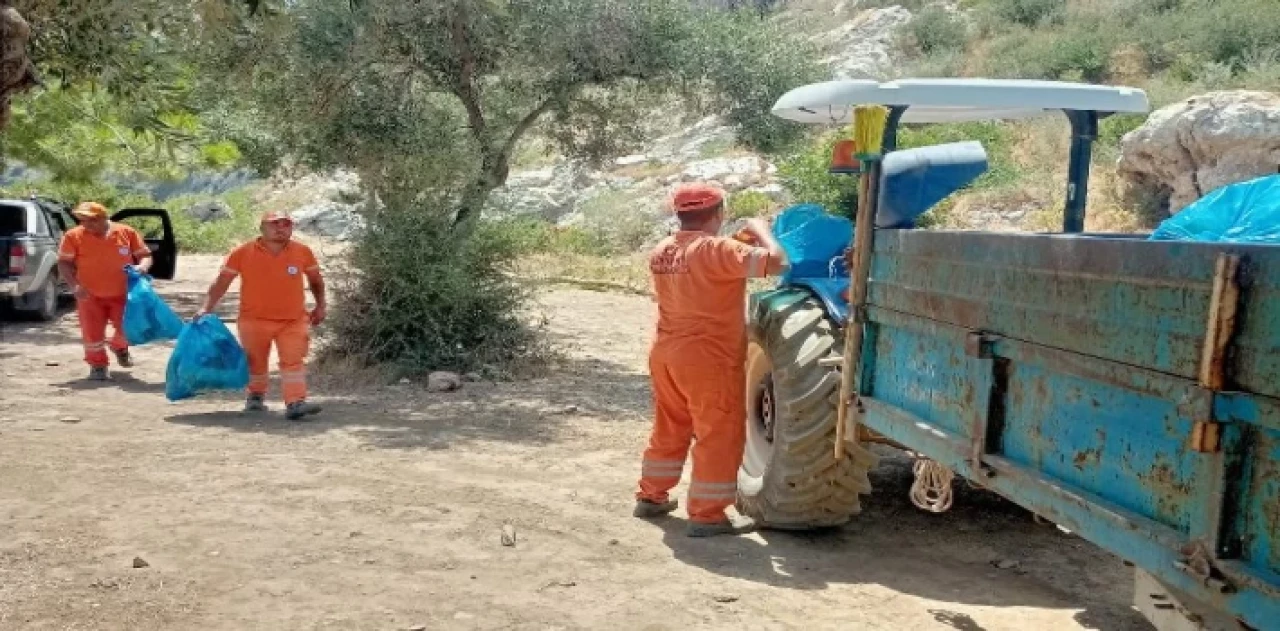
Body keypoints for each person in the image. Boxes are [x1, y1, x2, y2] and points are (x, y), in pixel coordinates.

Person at [635, 183, 788, 537]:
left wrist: (738, 244)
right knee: (718, 432)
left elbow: (706, 265)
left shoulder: (663, 249)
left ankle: (651, 496)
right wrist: (762, 229)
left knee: (671, 425)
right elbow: (778, 263)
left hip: (666, 352)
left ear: (680, 215)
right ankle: (708, 515)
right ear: (718, 213)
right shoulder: (718, 249)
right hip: (707, 358)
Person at [195, 211, 326, 421]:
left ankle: (295, 402)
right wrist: (206, 307)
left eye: (286, 224)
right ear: (262, 228)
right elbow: (222, 281)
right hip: (253, 320)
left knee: (293, 362)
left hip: (293, 320)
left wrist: (321, 306)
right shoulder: (242, 252)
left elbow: (316, 280)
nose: (281, 228)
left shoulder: (303, 252)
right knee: (255, 361)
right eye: (274, 224)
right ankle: (255, 396)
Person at [56, 201, 153, 381]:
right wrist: (74, 285)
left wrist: (142, 267)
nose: (86, 224)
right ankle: (98, 366)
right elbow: (64, 263)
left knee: (127, 328)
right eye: (82, 220)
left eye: (91, 220)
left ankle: (119, 347)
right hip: (89, 294)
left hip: (124, 293)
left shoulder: (126, 232)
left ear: (103, 218)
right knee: (92, 332)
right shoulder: (73, 236)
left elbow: (145, 255)